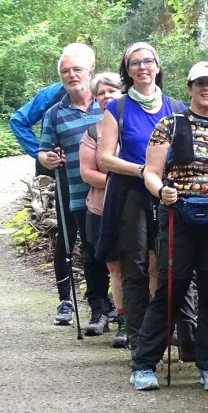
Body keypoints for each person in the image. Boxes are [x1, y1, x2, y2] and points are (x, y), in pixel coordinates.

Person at [130, 61, 208, 392]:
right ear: (190, 87)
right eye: (200, 82)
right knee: (171, 288)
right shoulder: (171, 124)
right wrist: (161, 190)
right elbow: (151, 172)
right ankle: (144, 365)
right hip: (179, 215)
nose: (207, 88)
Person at [96, 42, 186, 355]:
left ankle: (170, 333)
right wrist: (143, 171)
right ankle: (138, 340)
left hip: (168, 193)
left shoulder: (176, 107)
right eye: (135, 63)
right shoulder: (117, 108)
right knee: (134, 265)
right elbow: (105, 158)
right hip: (130, 193)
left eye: (148, 61)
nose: (143, 67)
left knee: (167, 264)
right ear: (127, 70)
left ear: (158, 67)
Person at [36, 43, 111, 329]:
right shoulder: (54, 114)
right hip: (76, 190)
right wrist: (48, 158)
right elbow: (43, 152)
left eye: (77, 69)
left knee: (109, 248)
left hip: (111, 191)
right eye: (65, 71)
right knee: (83, 247)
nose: (71, 75)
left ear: (90, 69)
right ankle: (85, 303)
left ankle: (115, 305)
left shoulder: (107, 104)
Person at [78, 72, 126, 345]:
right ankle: (123, 321)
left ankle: (146, 323)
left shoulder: (136, 125)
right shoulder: (92, 132)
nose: (107, 96)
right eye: (101, 93)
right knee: (114, 267)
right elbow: (87, 172)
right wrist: (122, 181)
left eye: (112, 91)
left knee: (146, 267)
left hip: (136, 208)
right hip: (101, 209)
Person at [11, 81, 65, 177]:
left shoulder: (94, 91)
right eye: (65, 72)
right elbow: (18, 121)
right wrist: (40, 153)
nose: (72, 75)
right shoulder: (51, 93)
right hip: (55, 168)